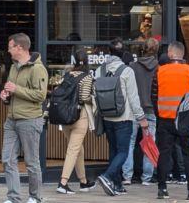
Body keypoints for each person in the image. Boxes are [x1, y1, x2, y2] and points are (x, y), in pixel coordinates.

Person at [96, 38, 149, 196]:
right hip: (123, 117)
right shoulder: (126, 71)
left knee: (114, 150)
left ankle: (117, 184)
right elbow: (133, 98)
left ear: (109, 52)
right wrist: (141, 118)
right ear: (124, 52)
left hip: (107, 117)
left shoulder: (100, 70)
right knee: (123, 152)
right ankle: (106, 176)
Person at [0, 33, 48, 203]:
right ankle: (13, 198)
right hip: (11, 120)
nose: (8, 50)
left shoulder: (37, 68)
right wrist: (5, 96)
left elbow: (40, 95)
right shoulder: (14, 67)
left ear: (19, 47)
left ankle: (35, 197)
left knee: (31, 162)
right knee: (7, 159)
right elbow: (12, 91)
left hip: (30, 120)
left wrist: (15, 89)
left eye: (10, 46)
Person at [155, 41, 189, 200]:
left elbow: (154, 96)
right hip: (185, 120)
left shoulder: (159, 71)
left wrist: (159, 114)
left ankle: (162, 189)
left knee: (164, 154)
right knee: (188, 154)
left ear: (171, 53)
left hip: (165, 118)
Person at [56, 49, 97, 194]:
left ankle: (83, 182)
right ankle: (63, 182)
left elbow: (58, 92)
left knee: (78, 149)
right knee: (73, 150)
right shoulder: (87, 77)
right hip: (80, 116)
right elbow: (84, 98)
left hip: (66, 117)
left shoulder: (67, 75)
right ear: (87, 62)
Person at [123, 38, 160, 187]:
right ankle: (147, 177)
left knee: (129, 143)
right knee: (150, 142)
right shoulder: (159, 67)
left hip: (133, 109)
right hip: (151, 109)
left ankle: (127, 176)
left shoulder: (132, 67)